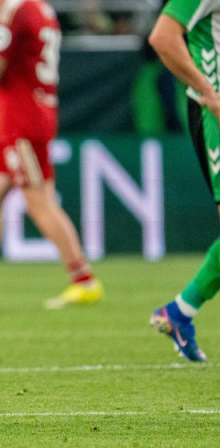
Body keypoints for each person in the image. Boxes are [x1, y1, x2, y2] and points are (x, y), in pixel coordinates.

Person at [0, 0, 104, 310]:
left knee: (40, 204)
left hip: (23, 123)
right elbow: (11, 61)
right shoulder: (41, 8)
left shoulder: (14, 10)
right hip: (16, 122)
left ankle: (84, 279)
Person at [146, 0, 220, 362]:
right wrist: (209, 93)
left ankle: (179, 312)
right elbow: (163, 37)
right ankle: (180, 311)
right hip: (216, 115)